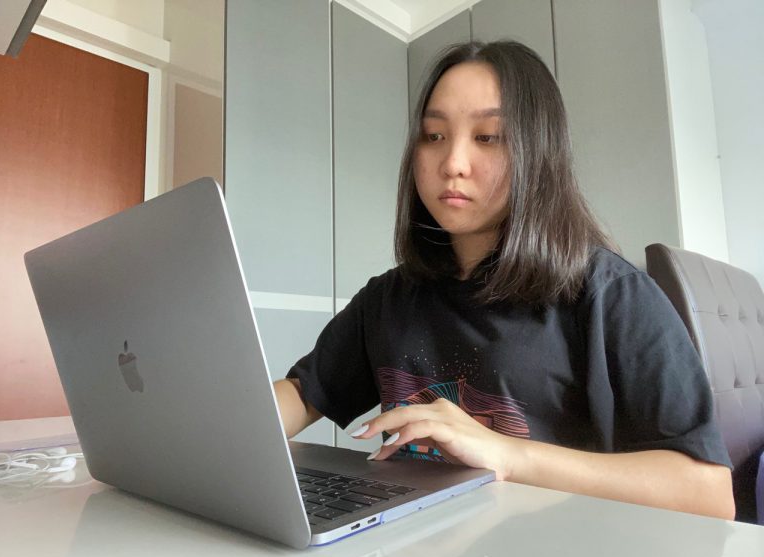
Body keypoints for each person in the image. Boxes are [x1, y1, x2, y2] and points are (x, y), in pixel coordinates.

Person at [274, 40, 735, 520]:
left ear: (538, 152)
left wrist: (507, 455)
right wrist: (217, 422)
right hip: (412, 545)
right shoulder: (389, 298)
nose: (452, 162)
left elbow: (708, 492)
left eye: (488, 137)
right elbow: (303, 393)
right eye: (433, 136)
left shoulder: (609, 294)